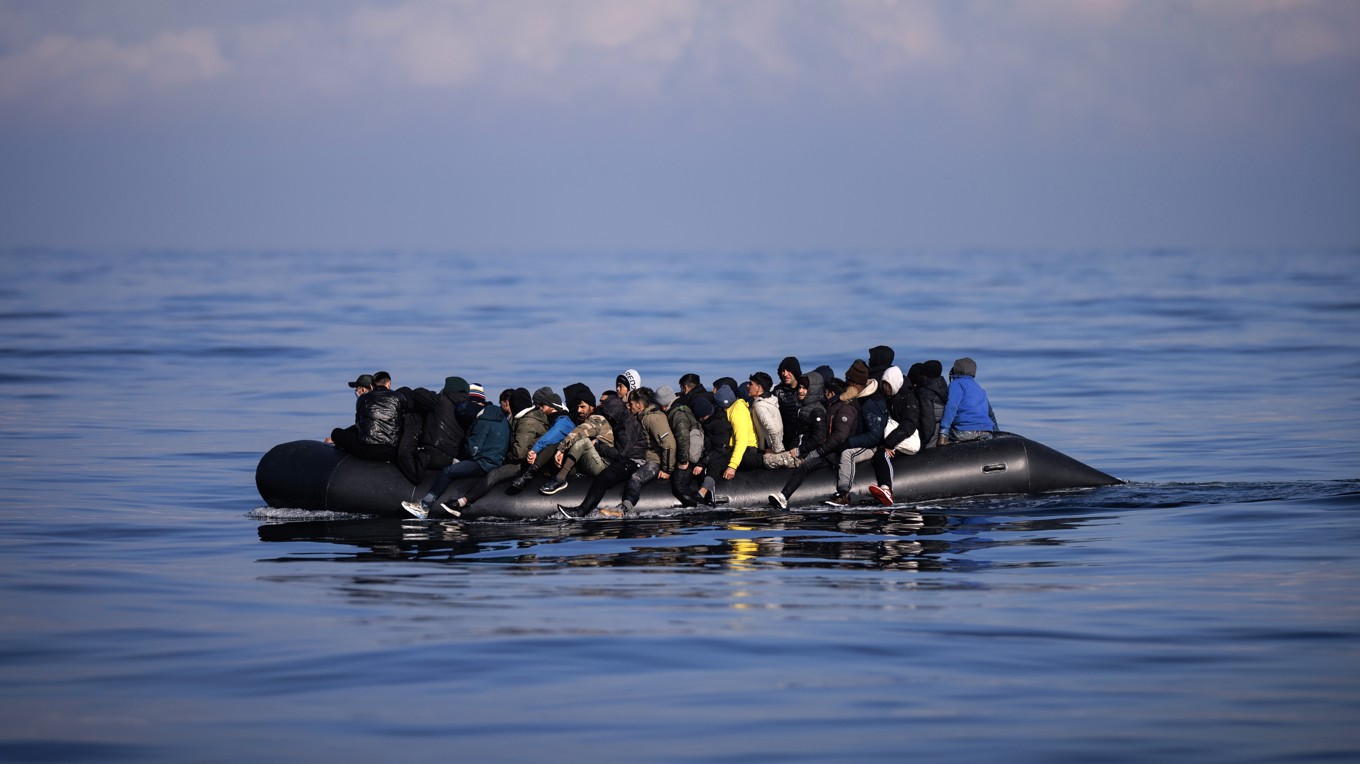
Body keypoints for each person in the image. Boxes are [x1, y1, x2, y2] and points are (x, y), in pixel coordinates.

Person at [402, 383, 509, 518]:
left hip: (484, 464)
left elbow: (472, 450)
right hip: (495, 460)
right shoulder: (495, 414)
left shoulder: (481, 422)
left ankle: (424, 506)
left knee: (448, 471)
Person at [439, 387, 549, 513]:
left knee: (493, 475)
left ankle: (462, 502)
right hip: (533, 460)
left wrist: (504, 458)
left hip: (525, 463)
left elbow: (519, 453)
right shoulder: (532, 417)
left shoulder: (527, 422)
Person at [767, 376, 859, 509]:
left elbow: (838, 436)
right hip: (827, 450)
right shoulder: (830, 407)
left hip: (832, 454)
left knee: (805, 466)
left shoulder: (842, 409)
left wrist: (818, 451)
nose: (824, 394)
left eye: (826, 392)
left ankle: (784, 497)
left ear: (831, 393)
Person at [555, 389, 646, 518]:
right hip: (626, 459)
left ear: (615, 413)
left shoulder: (627, 426)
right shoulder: (622, 420)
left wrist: (597, 446)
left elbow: (620, 454)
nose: (607, 418)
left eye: (609, 415)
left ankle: (581, 511)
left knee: (603, 478)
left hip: (633, 462)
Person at [599, 387, 675, 517]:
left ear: (639, 405)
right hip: (642, 458)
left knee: (636, 478)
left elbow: (669, 444)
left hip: (654, 461)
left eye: (631, 404)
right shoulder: (641, 417)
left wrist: (667, 469)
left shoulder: (653, 418)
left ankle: (624, 509)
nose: (629, 407)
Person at [825, 359, 890, 506]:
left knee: (848, 454)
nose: (846, 387)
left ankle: (843, 494)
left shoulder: (870, 403)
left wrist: (848, 443)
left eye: (848, 383)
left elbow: (874, 436)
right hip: (861, 439)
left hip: (872, 446)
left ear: (854, 384)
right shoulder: (860, 398)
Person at [504, 386, 577, 494]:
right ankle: (532, 472)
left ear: (552, 407)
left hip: (567, 466)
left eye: (542, 406)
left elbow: (551, 436)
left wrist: (534, 451)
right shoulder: (551, 421)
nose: (540, 409)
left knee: (553, 443)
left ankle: (529, 475)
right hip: (552, 464)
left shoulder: (564, 421)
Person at [397, 376, 469, 482]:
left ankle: (415, 479)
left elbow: (417, 392)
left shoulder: (440, 400)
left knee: (404, 454)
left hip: (433, 455)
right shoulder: (468, 408)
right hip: (452, 456)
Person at [867, 365, 921, 506]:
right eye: (884, 385)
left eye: (888, 385)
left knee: (881, 454)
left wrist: (889, 444)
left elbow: (909, 424)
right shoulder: (891, 396)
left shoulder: (908, 399)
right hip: (897, 435)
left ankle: (887, 489)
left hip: (906, 437)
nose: (886, 389)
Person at [328, 372, 404, 463]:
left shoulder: (363, 399)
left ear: (364, 390)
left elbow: (359, 426)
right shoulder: (397, 397)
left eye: (357, 390)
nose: (355, 393)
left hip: (368, 450)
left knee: (336, 433)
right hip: (392, 450)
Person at [658, 385, 705, 506]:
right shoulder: (681, 407)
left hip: (690, 455)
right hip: (696, 451)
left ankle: (700, 507)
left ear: (663, 405)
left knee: (679, 485)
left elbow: (683, 438)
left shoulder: (677, 414)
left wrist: (683, 462)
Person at [938, 357, 998, 445]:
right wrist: (997, 432)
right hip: (986, 432)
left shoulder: (956, 384)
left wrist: (943, 433)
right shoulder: (979, 388)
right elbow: (990, 414)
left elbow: (951, 407)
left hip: (964, 432)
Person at [690, 393, 732, 507]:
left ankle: (703, 491)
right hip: (710, 451)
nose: (701, 420)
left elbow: (720, 448)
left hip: (722, 453)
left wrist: (702, 463)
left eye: (702, 418)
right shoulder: (709, 421)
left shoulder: (720, 424)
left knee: (715, 464)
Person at [714, 380, 759, 480]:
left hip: (747, 451)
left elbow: (741, 440)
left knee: (716, 464)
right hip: (738, 450)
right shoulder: (731, 409)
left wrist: (732, 466)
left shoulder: (738, 411)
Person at [747, 371, 787, 467]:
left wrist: (777, 451)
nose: (747, 386)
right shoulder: (770, 400)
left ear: (759, 388)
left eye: (751, 384)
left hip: (769, 450)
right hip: (771, 447)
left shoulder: (760, 406)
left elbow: (773, 429)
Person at [917, 360, 950, 449]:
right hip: (943, 435)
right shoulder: (945, 388)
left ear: (926, 375)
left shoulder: (924, 392)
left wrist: (922, 443)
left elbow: (928, 422)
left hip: (931, 439)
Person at [773, 357, 803, 451]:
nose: (785, 374)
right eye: (783, 371)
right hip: (784, 440)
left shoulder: (806, 389)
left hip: (804, 440)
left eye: (789, 370)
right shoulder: (777, 391)